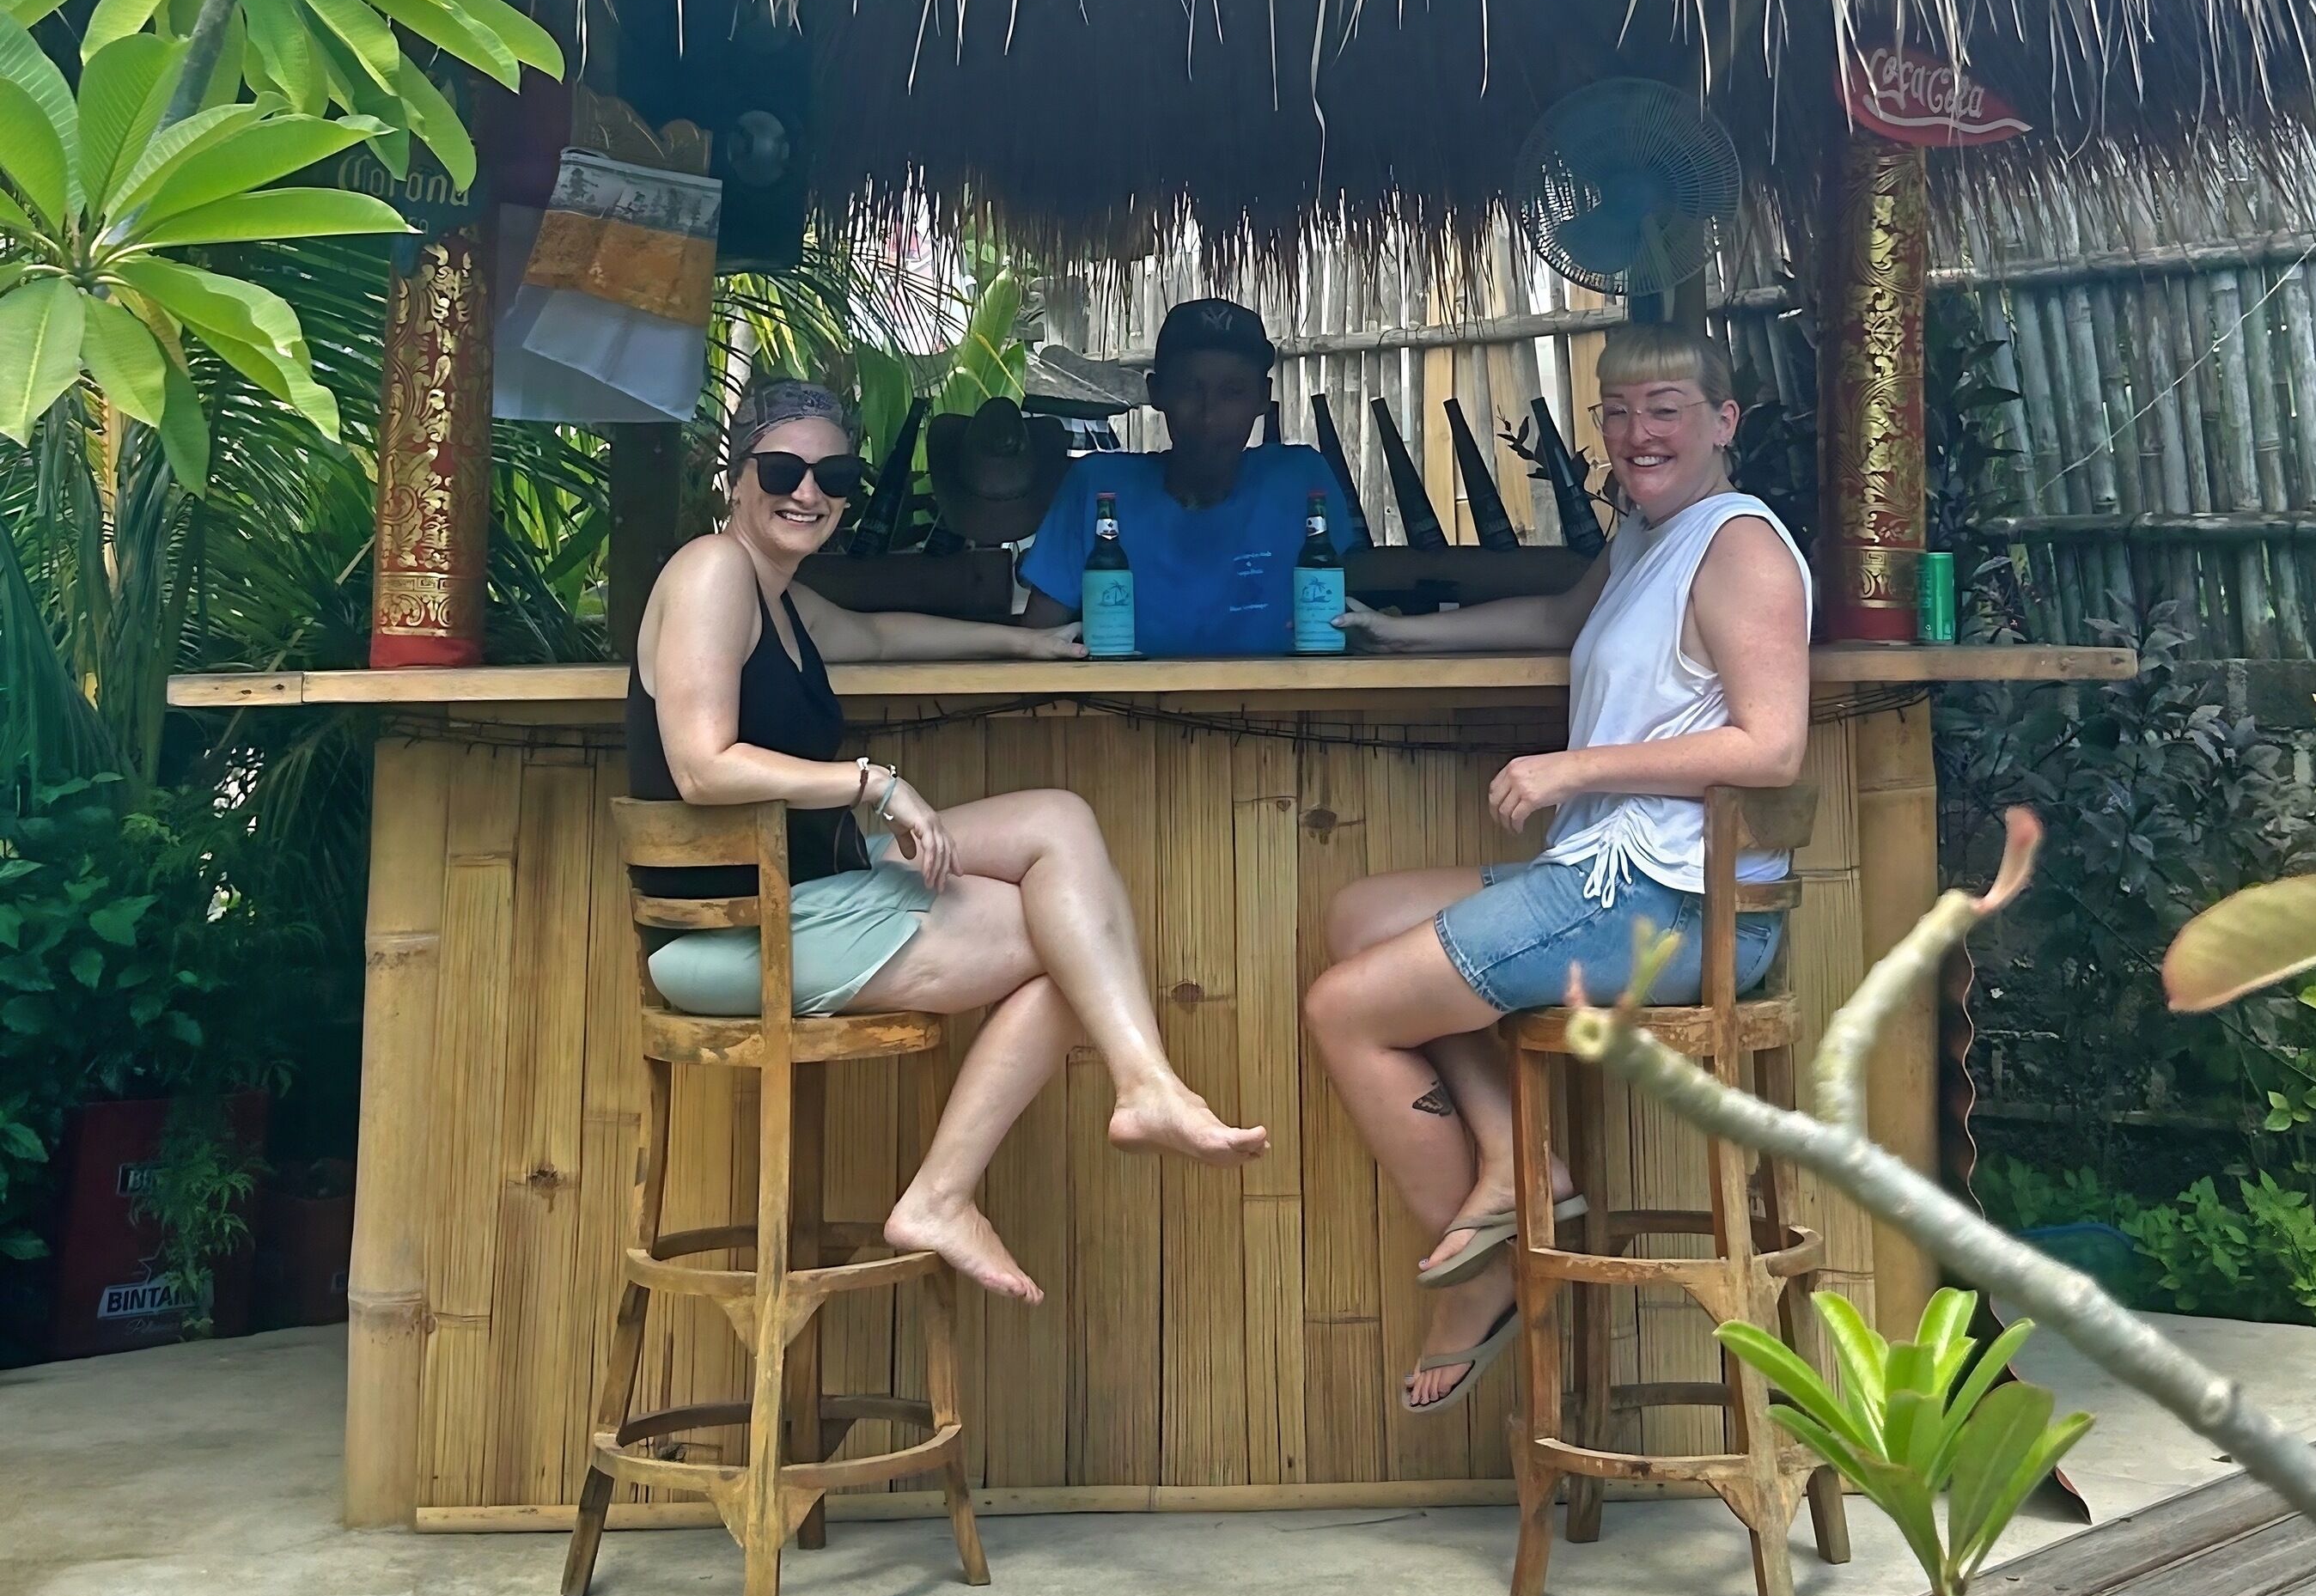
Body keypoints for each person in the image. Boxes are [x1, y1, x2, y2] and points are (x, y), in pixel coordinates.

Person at [630, 376, 1267, 1303]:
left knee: (1059, 824)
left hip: (804, 901)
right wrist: (873, 784)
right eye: (782, 470)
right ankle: (945, 1191)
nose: (808, 492)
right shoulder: (708, 573)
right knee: (1061, 947)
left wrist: (1029, 644)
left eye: (833, 474)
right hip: (724, 938)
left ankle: (1145, 1086)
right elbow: (701, 766)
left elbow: (879, 637)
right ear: (734, 478)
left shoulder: (778, 595)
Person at [1302, 325, 1809, 1416]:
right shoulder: (1648, 536)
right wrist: (1398, 633)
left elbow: (1771, 747)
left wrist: (1571, 767)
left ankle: (1484, 1273)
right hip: (1613, 882)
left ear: (1725, 423)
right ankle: (1518, 1159)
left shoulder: (1739, 548)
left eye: (1664, 409)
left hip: (1669, 907)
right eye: (1615, 413)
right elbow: (1554, 617)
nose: (1635, 434)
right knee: (1361, 915)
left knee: (1347, 1011)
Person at [1018, 296, 1363, 655]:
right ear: (1156, 393)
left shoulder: (1301, 482)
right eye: (1188, 389)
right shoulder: (1098, 489)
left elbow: (1354, 617)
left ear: (1264, 398)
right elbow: (1039, 649)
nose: (1209, 416)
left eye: (1232, 392)